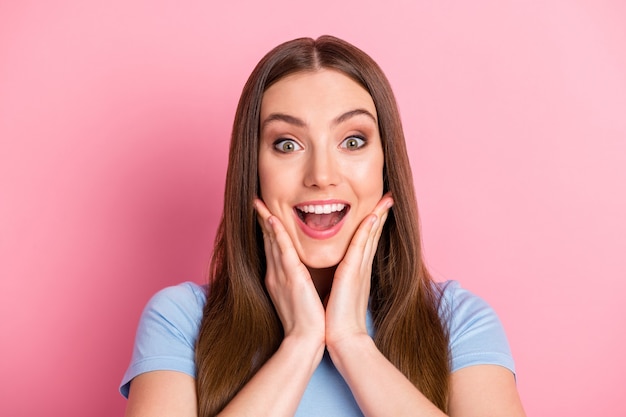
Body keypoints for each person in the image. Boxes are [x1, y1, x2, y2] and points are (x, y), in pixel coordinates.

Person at [120, 35, 526, 417]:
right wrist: (299, 346)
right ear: (253, 169)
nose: (321, 174)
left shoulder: (458, 321)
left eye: (352, 141)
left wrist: (352, 343)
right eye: (287, 144)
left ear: (386, 165)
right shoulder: (181, 320)